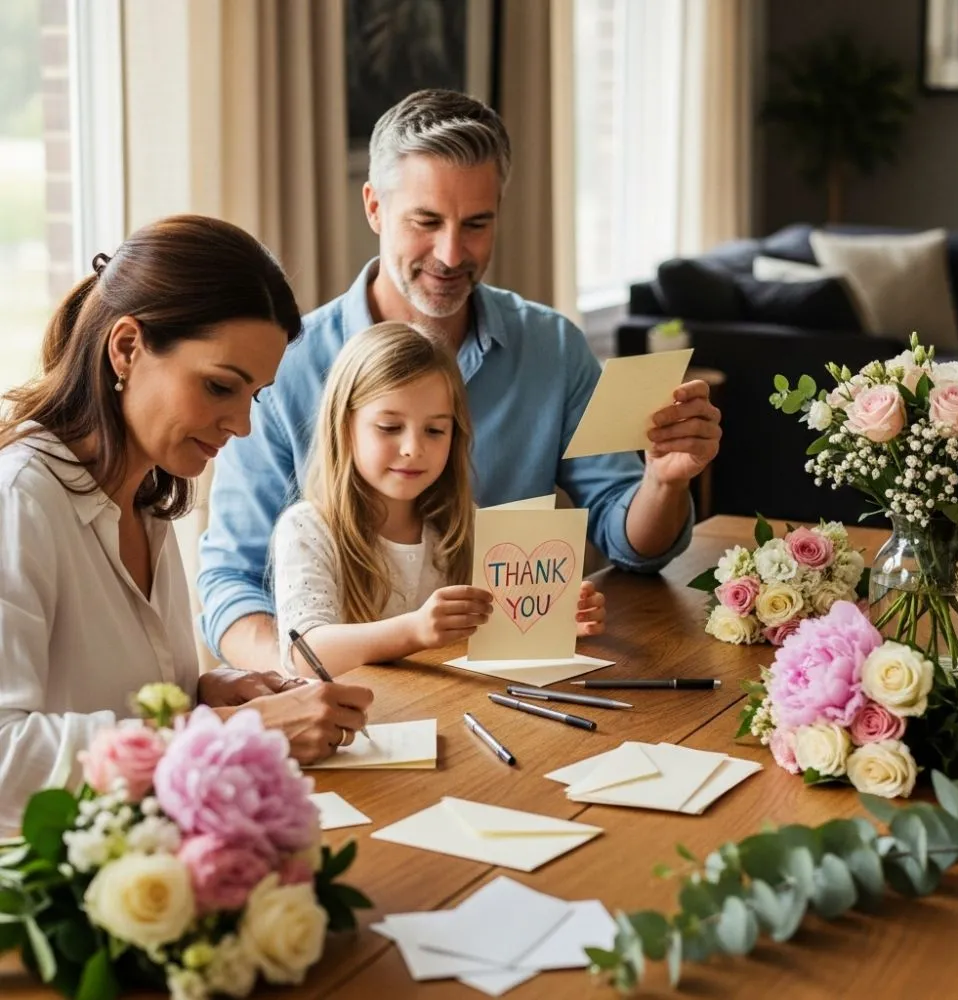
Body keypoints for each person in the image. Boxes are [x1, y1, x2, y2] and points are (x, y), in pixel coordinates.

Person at [199, 89, 722, 672]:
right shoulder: (286, 362)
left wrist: (665, 482)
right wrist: (306, 670)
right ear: (374, 207)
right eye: (425, 222)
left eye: (476, 224)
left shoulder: (551, 347)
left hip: (511, 688)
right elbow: (231, 580)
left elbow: (631, 543)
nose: (451, 254)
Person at [0, 215, 373, 832]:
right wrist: (222, 732)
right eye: (219, 386)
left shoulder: (144, 498)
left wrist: (204, 694)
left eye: (252, 395)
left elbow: (106, 704)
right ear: (126, 348)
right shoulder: (20, 503)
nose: (242, 425)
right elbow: (8, 758)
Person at [272, 321, 606, 677]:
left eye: (434, 430)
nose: (413, 449)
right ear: (344, 425)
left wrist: (552, 617)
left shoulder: (462, 524)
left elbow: (498, 629)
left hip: (448, 712)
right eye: (389, 427)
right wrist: (414, 630)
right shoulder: (307, 529)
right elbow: (305, 654)